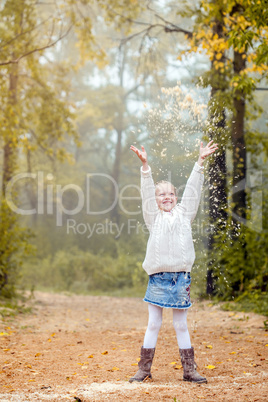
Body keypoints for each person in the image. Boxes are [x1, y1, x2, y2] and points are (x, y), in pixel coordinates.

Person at [129, 140, 218, 384]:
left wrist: (200, 162)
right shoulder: (153, 217)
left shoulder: (185, 214)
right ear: (156, 200)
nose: (166, 197)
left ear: (176, 197)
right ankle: (144, 369)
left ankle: (189, 370)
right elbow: (146, 191)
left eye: (170, 193)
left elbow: (193, 190)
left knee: (180, 325)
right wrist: (145, 166)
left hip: (181, 278)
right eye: (161, 194)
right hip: (158, 278)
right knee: (154, 323)